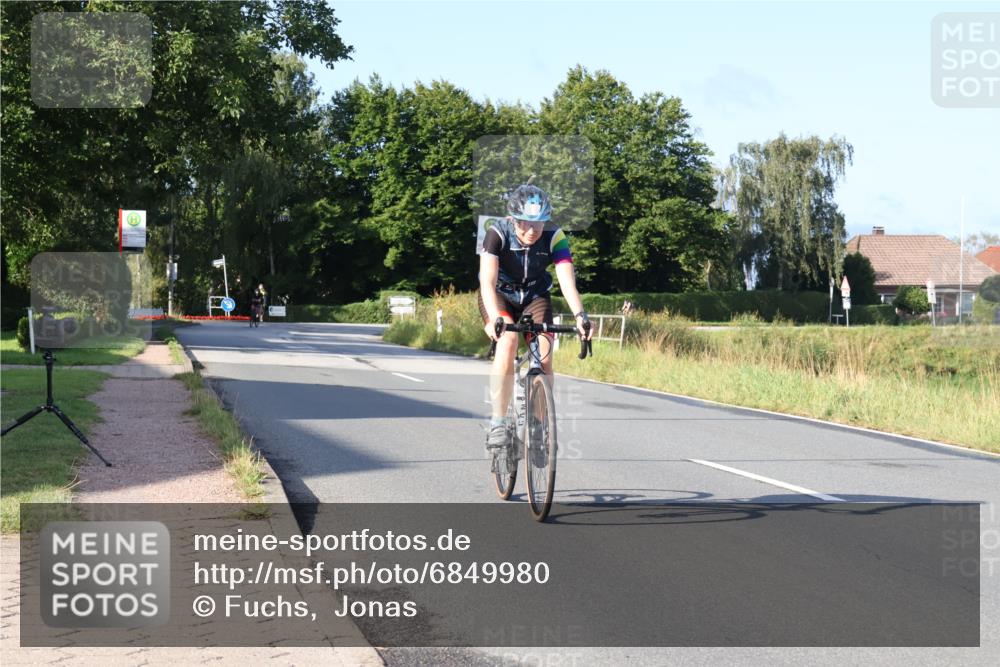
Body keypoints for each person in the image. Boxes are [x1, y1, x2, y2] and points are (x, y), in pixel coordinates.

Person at [479, 184, 592, 452]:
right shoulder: (497, 232)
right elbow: (487, 281)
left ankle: (538, 426)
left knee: (545, 356)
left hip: (534, 297)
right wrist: (495, 317)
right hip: (500, 296)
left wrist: (580, 315)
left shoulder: (555, 236)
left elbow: (567, 283)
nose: (532, 232)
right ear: (513, 219)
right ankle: (498, 422)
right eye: (525, 225)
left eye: (538, 225)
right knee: (507, 343)